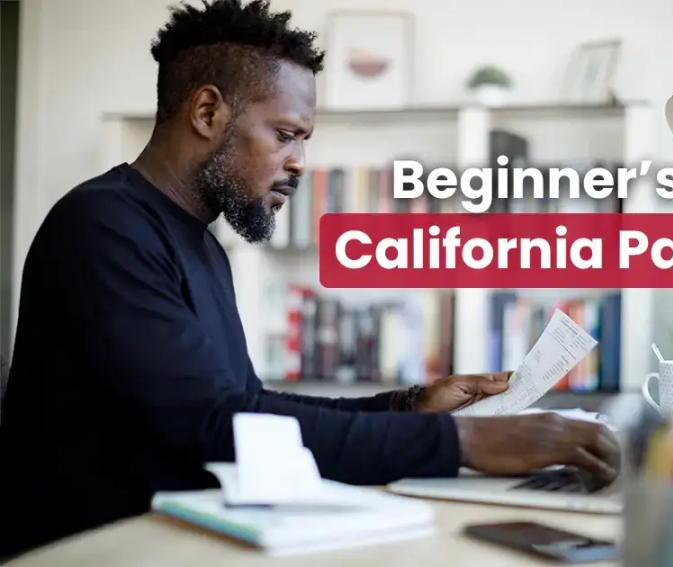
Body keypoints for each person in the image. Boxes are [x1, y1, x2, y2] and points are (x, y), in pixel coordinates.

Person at [0, 0, 619, 556]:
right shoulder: (104, 226)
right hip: (100, 550)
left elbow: (247, 406)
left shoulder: (202, 245)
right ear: (208, 111)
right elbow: (215, 427)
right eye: (285, 135)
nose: (300, 163)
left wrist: (408, 407)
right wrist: (462, 443)